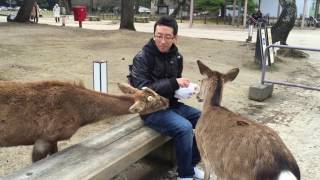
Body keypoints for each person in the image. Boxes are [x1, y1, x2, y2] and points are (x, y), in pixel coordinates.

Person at [128, 16, 204, 180]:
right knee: (184, 128)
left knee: (207, 120)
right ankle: (185, 176)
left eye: (167, 37)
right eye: (158, 35)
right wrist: (173, 83)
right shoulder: (142, 57)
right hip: (151, 110)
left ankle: (190, 164)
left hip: (172, 104)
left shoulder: (176, 57)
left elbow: (173, 85)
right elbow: (143, 90)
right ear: (154, 34)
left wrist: (183, 89)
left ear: (175, 38)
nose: (162, 41)